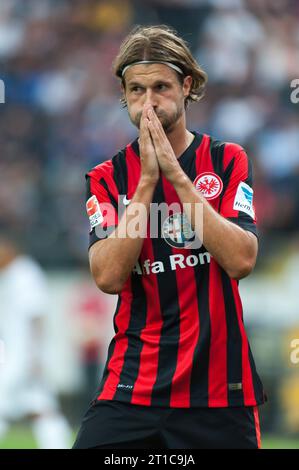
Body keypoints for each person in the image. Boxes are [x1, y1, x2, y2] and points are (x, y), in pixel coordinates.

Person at [73, 25, 266, 449]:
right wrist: (145, 183)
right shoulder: (107, 178)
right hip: (131, 390)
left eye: (160, 87)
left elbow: (242, 261)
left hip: (220, 391)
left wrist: (176, 177)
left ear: (187, 86)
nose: (148, 102)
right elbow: (107, 277)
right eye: (136, 90)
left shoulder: (227, 159)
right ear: (124, 95)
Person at [0, 232, 72, 449]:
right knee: (41, 406)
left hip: (24, 355)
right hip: (15, 353)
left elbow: (36, 317)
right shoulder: (9, 274)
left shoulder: (25, 273)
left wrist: (35, 355)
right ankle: (57, 443)